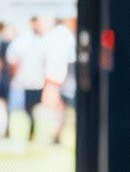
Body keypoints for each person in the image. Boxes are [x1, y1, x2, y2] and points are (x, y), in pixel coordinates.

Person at [5, 16, 50, 142]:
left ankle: (29, 133)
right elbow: (12, 60)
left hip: (34, 82)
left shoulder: (41, 41)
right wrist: (14, 76)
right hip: (22, 82)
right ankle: (10, 132)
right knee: (16, 110)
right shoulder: (23, 40)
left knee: (30, 110)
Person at [42, 15, 77, 145]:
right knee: (62, 108)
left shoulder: (53, 35)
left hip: (54, 77)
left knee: (60, 109)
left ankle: (57, 133)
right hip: (63, 78)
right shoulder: (68, 37)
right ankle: (57, 133)